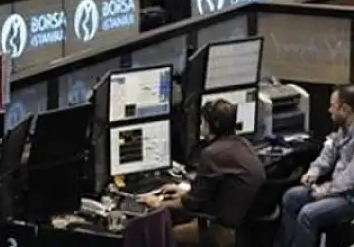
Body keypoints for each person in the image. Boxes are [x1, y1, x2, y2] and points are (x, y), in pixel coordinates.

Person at [142, 99, 265, 247]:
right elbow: (214, 190)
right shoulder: (245, 144)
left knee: (167, 235)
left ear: (214, 125)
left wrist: (158, 203)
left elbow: (191, 204)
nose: (201, 127)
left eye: (203, 122)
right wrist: (184, 192)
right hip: (243, 226)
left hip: (224, 232)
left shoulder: (212, 154)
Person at [279, 86, 354, 247]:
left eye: (332, 106)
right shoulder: (342, 130)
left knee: (307, 214)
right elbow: (328, 154)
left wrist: (322, 191)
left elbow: (348, 182)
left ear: (345, 109)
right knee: (291, 197)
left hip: (349, 197)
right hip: (336, 190)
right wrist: (314, 171)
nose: (329, 110)